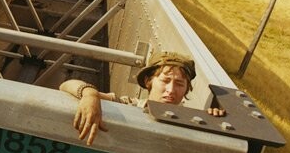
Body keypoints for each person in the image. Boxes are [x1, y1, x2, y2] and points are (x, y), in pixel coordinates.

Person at [60, 51, 226, 146]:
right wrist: (90, 95)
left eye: (179, 84)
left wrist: (214, 120)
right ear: (149, 81)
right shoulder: (129, 105)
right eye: (165, 81)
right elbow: (67, 85)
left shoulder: (192, 120)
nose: (171, 90)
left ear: (186, 89)